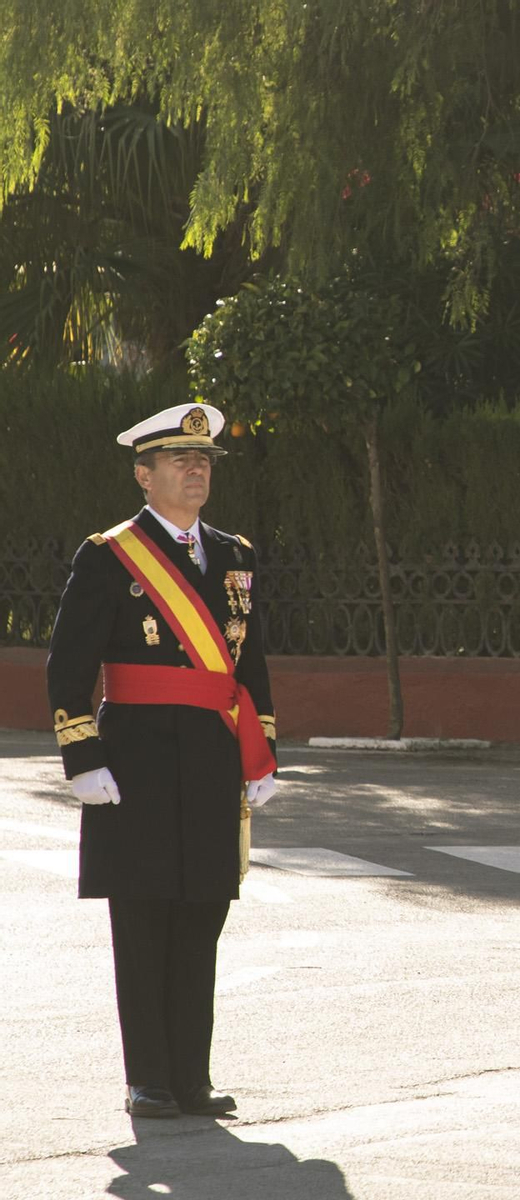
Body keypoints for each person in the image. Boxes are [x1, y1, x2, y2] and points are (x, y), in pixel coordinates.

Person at [47, 403, 278, 1118]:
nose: (196, 470)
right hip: (137, 759)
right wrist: (82, 754)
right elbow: (69, 662)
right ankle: (148, 1077)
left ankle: (192, 1078)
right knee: (144, 918)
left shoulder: (234, 554)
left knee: (202, 914)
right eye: (180, 460)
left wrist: (262, 751)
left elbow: (251, 663)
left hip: (211, 755)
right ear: (144, 475)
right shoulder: (110, 554)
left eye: (203, 460)